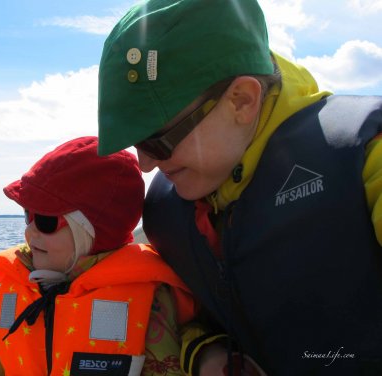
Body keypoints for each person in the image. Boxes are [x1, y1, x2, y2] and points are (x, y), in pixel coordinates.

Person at [96, 1, 382, 375]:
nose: (146, 163)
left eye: (157, 140)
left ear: (242, 100)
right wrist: (205, 351)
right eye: (135, 142)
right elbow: (191, 312)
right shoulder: (165, 213)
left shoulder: (365, 156)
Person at [0, 136, 198, 376]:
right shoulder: (18, 287)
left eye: (46, 221)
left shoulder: (149, 302)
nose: (29, 231)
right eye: (28, 215)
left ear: (92, 233)